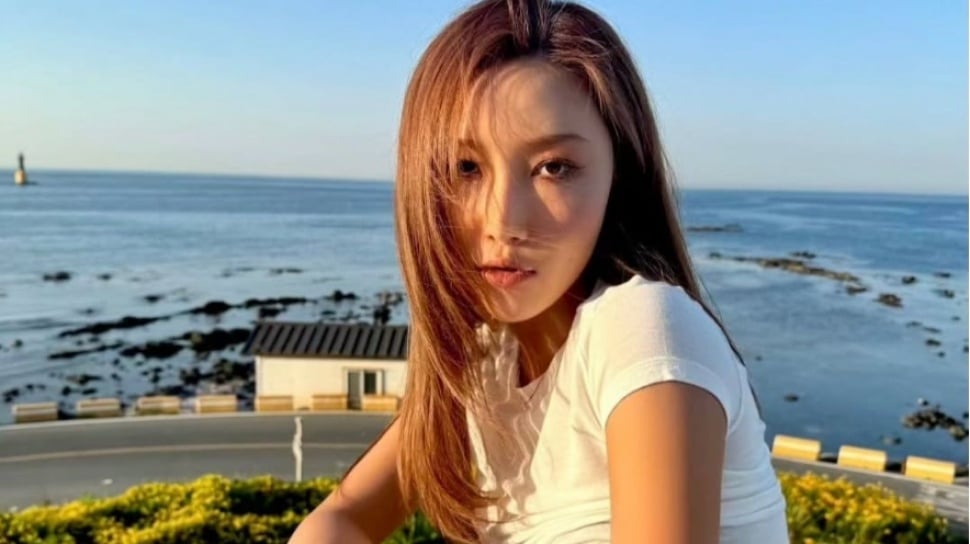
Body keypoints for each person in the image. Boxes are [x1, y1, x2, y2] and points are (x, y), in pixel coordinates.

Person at [289, 0, 789, 542]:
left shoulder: (643, 331)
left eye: (554, 167)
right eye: (465, 168)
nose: (503, 221)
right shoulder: (485, 365)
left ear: (618, 176)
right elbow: (342, 518)